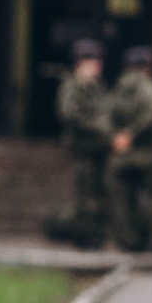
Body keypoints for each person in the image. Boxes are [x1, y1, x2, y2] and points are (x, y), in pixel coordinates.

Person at [45, 39, 111, 249]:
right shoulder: (72, 85)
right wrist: (99, 126)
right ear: (81, 63)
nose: (98, 67)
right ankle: (83, 235)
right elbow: (69, 114)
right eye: (93, 62)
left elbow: (107, 110)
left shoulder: (97, 86)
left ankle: (96, 235)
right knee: (85, 195)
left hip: (99, 148)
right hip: (83, 148)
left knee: (99, 193)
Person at [103, 46, 152, 253]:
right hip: (148, 156)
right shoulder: (150, 87)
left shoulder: (118, 88)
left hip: (121, 157)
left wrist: (115, 137)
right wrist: (132, 134)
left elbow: (105, 115)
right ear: (148, 67)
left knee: (123, 201)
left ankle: (128, 241)